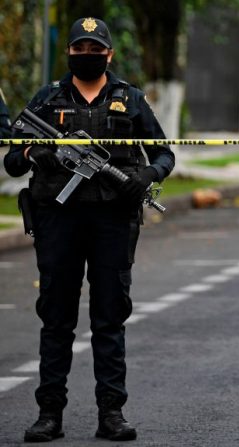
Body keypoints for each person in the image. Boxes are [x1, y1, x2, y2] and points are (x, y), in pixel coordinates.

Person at [4, 17, 175, 442]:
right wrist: (36, 152)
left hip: (112, 220)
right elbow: (12, 160)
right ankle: (49, 414)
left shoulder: (130, 99)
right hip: (57, 221)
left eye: (94, 49)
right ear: (69, 54)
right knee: (56, 318)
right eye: (79, 49)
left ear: (109, 54)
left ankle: (111, 413)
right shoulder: (48, 99)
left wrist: (146, 175)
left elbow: (165, 153)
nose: (86, 55)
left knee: (110, 317)